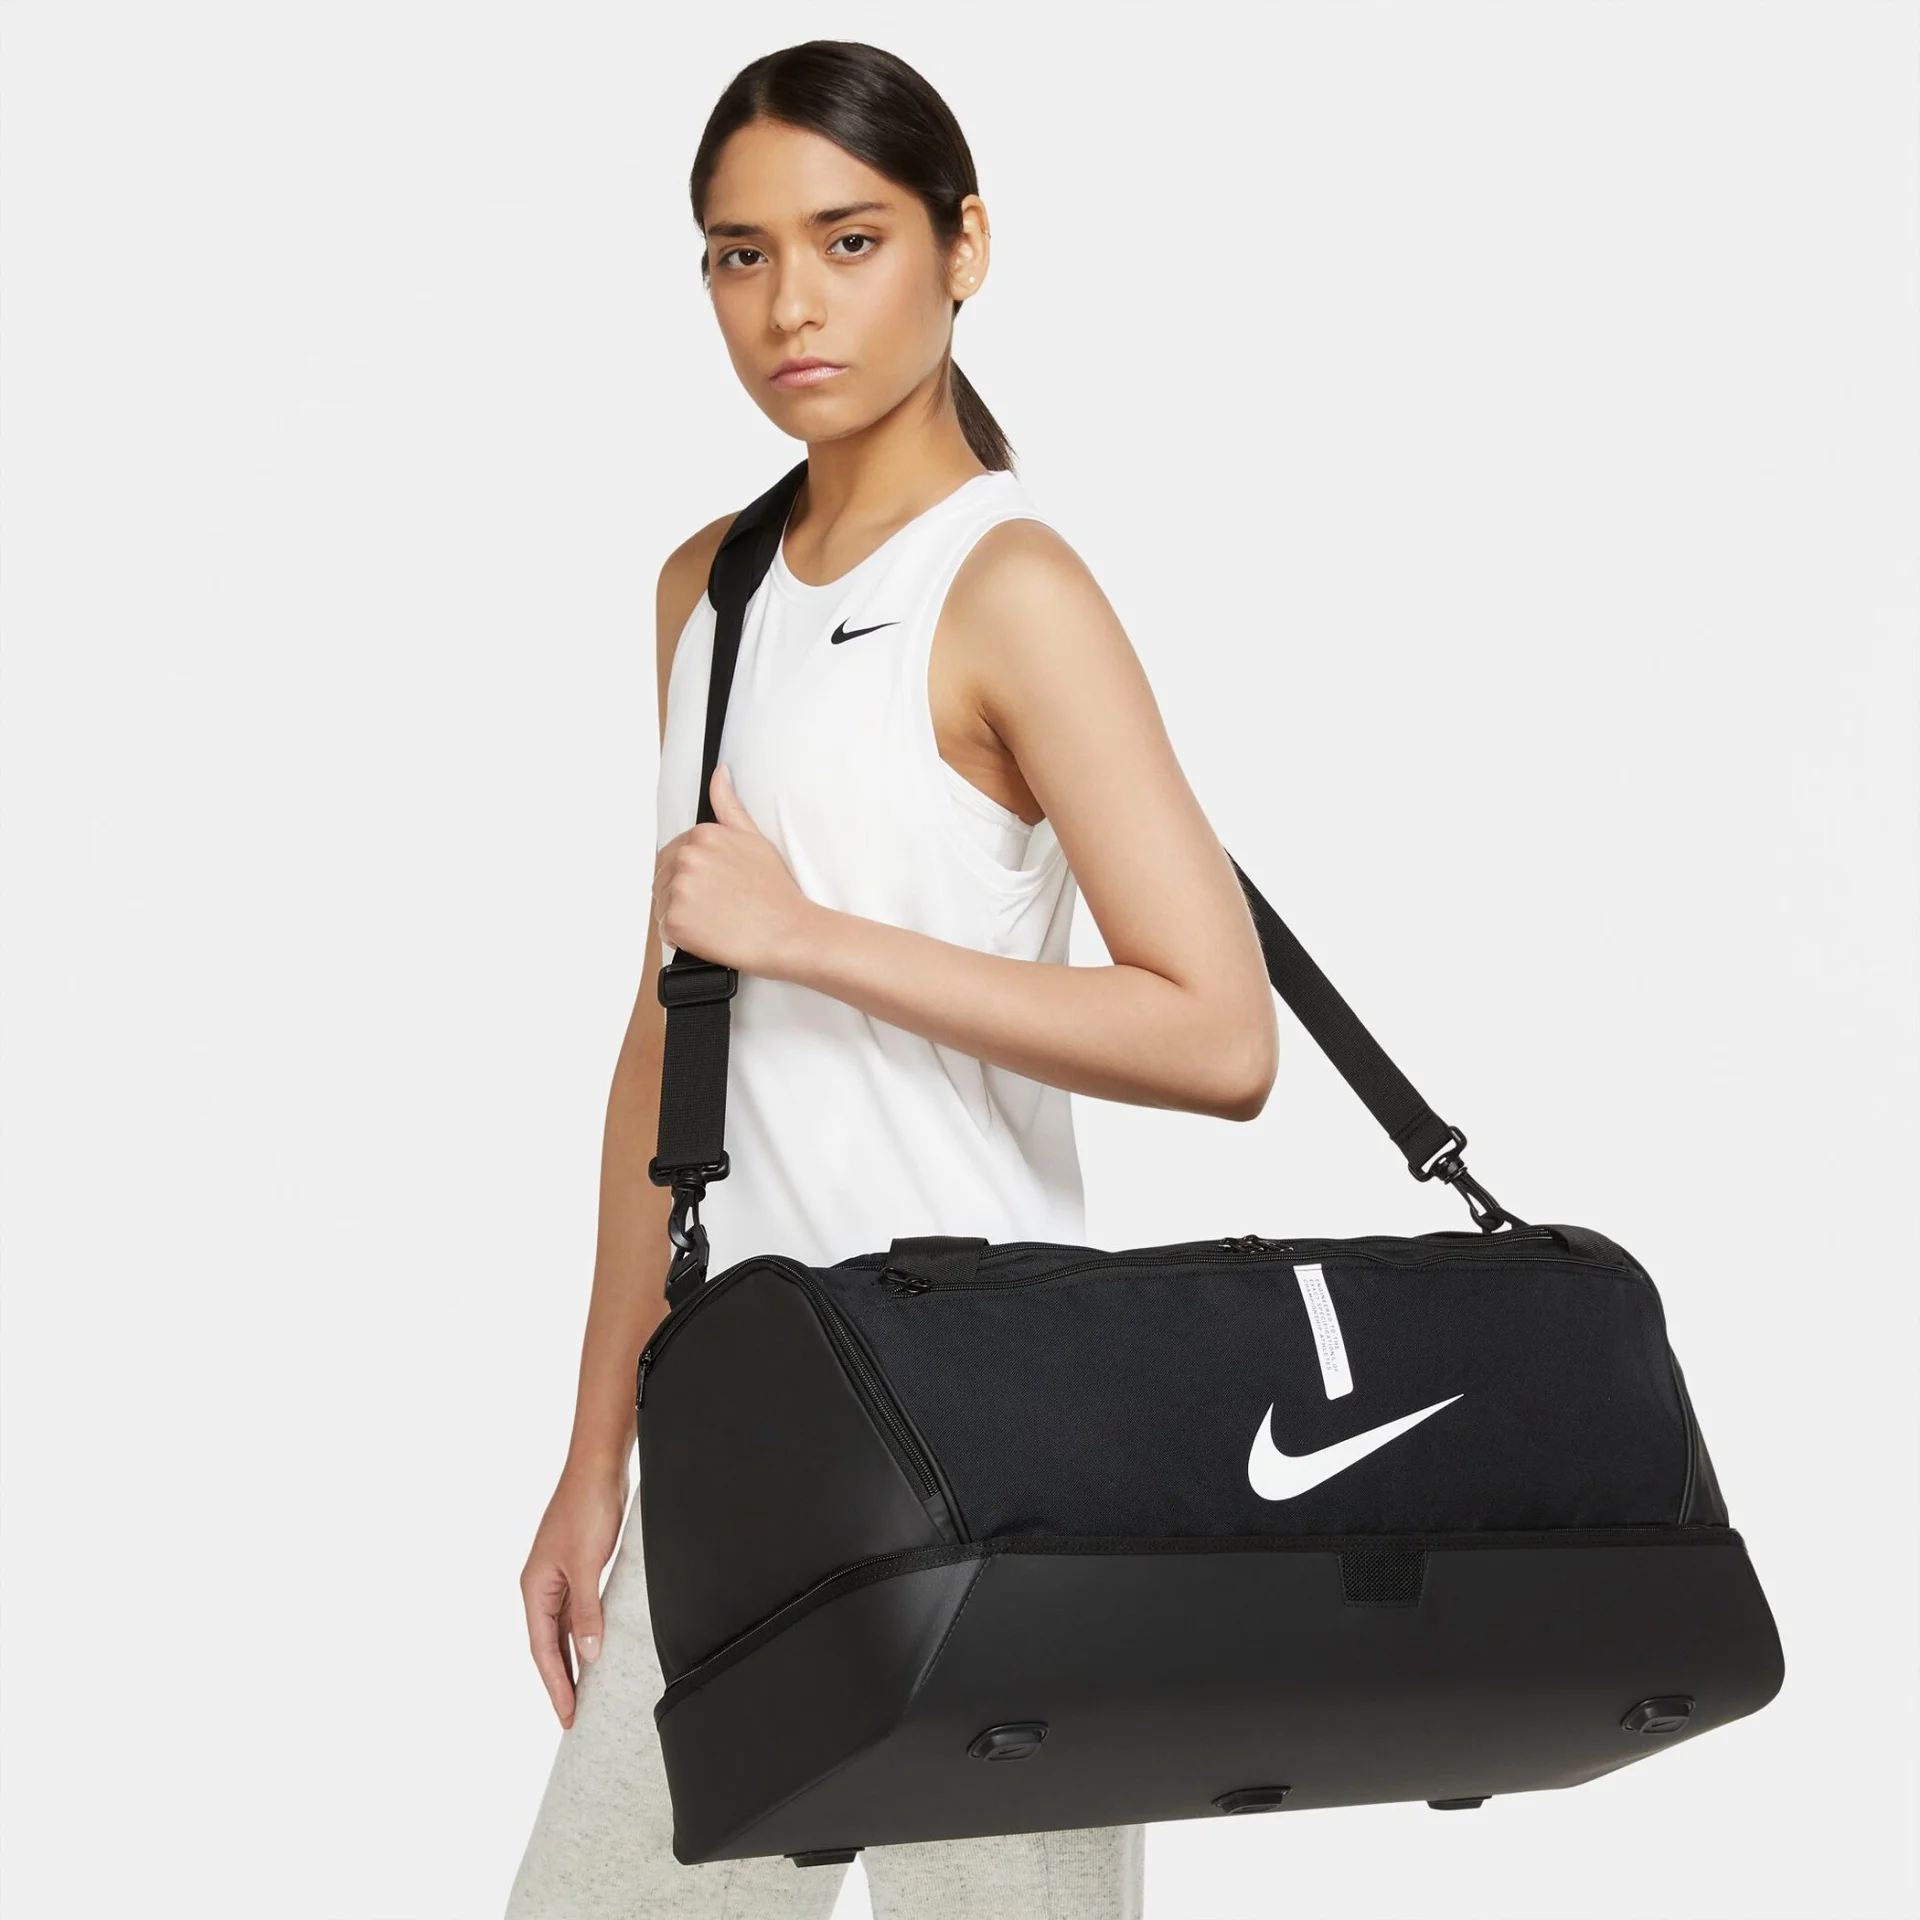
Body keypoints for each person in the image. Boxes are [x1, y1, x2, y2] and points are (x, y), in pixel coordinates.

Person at [503, 39, 1279, 1920]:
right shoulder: (709, 591)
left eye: (849, 240)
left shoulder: (1010, 587)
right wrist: (597, 1450)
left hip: (996, 1449)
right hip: (741, 1441)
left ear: (963, 247)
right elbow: (665, 1045)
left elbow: (1219, 1032)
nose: (792, 304)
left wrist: (812, 937)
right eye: (740, 254)